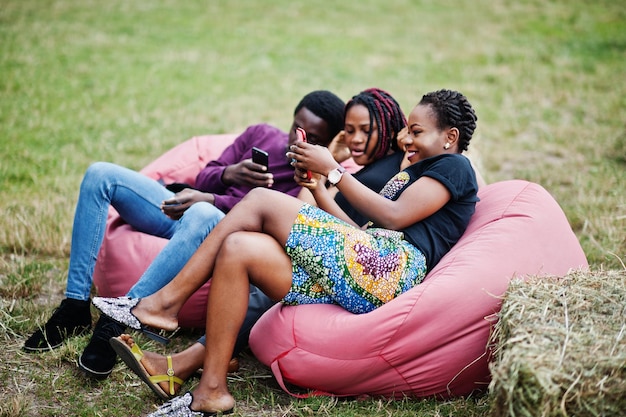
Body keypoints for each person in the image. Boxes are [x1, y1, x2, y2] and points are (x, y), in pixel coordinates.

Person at [93, 88, 480, 416]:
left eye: (416, 132)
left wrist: (334, 171)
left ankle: (163, 305)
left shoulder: (455, 166)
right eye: (406, 132)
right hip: (369, 266)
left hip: (389, 272)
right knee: (239, 247)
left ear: (449, 137)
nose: (406, 140)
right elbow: (358, 232)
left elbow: (393, 219)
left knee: (261, 198)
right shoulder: (411, 171)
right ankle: (210, 391)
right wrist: (316, 186)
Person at [23, 90, 346, 380]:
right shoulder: (260, 134)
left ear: (329, 144)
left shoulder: (308, 184)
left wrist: (213, 201)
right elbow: (203, 175)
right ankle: (74, 306)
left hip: (213, 233)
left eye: (314, 139)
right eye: (298, 129)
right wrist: (229, 174)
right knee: (100, 174)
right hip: (179, 214)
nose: (299, 141)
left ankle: (116, 323)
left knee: (205, 213)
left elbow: (260, 223)